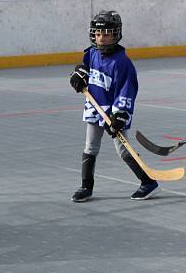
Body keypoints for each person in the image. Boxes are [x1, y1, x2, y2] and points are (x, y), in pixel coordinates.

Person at [68, 10, 158, 202]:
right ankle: (86, 187)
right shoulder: (91, 53)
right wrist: (78, 75)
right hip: (94, 107)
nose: (102, 38)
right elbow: (84, 69)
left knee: (123, 150)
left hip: (114, 113)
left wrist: (119, 115)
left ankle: (148, 182)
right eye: (99, 34)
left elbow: (127, 90)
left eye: (107, 34)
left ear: (116, 34)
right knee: (90, 147)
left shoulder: (122, 63)